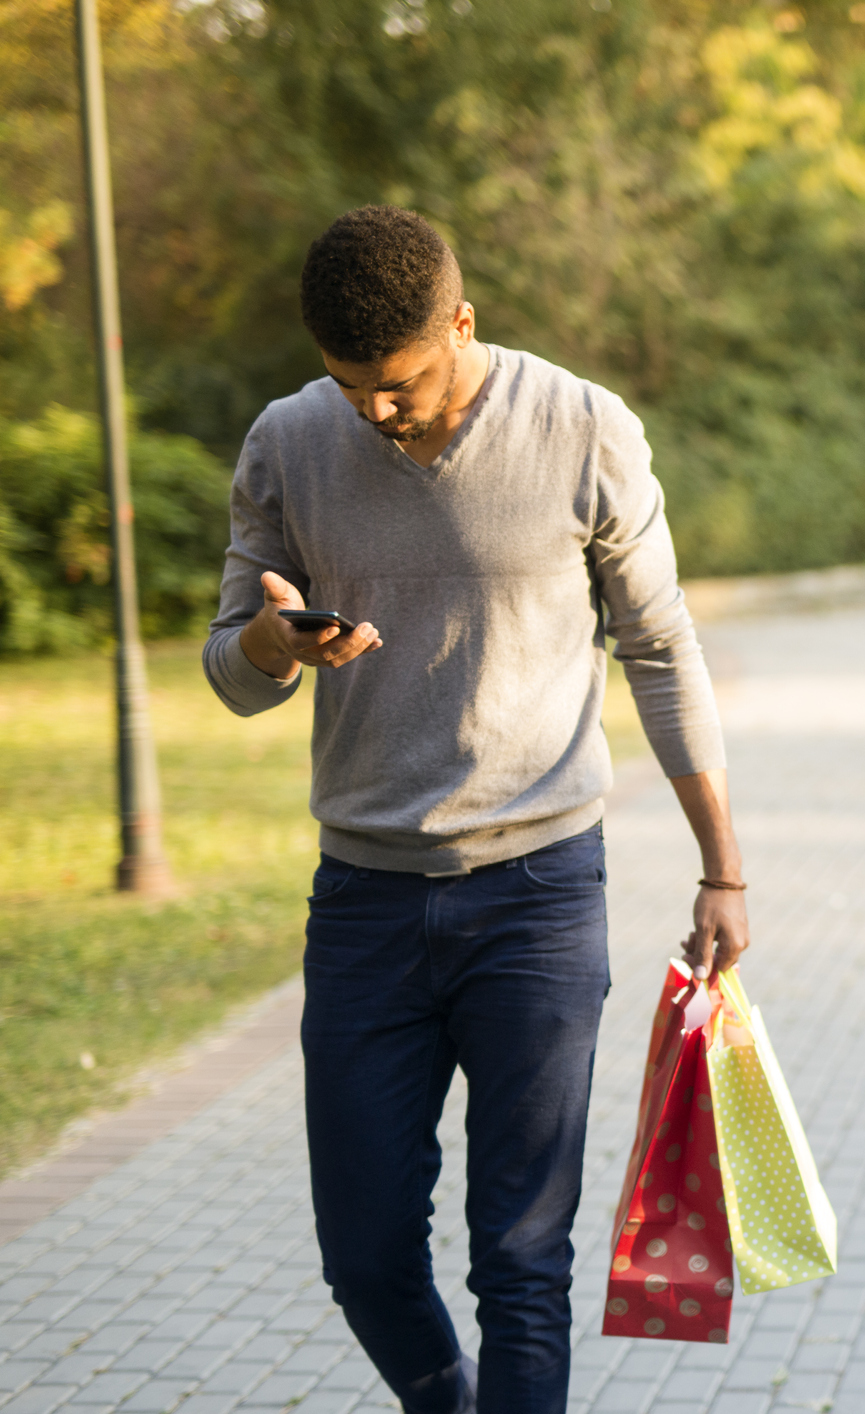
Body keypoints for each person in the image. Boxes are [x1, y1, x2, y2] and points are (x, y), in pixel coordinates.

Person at [201, 207, 752, 1414]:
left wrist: (723, 868)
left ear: (460, 321)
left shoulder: (583, 427)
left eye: (397, 385)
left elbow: (660, 650)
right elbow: (230, 674)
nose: (375, 413)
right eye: (351, 389)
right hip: (363, 904)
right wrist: (269, 645)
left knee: (521, 1261)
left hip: (540, 895)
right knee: (364, 1255)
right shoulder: (288, 443)